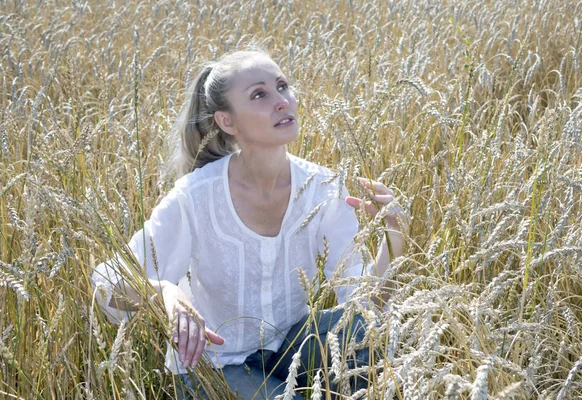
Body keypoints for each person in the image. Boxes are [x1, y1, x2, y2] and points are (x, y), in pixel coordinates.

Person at [91, 45, 408, 399]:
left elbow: (364, 304)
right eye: (260, 94)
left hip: (292, 350)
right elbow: (107, 284)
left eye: (283, 86)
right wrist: (165, 292)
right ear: (227, 122)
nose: (282, 101)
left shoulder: (323, 188)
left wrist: (394, 234)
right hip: (213, 367)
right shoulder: (195, 196)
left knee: (368, 331)